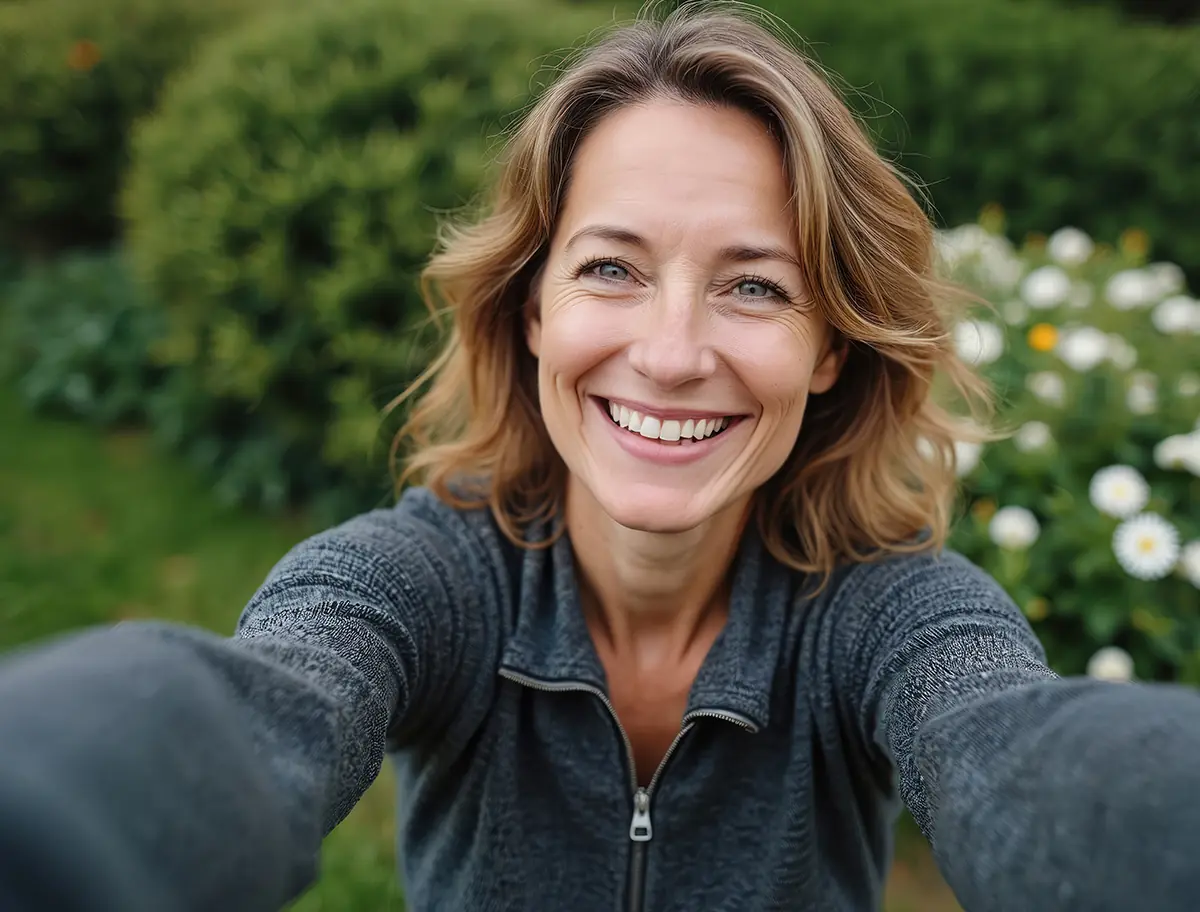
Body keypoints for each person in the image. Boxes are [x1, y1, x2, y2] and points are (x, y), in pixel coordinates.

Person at [2, 3, 1199, 911]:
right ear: (532, 313)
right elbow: (262, 713)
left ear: (829, 349)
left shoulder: (893, 618)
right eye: (612, 268)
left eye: (753, 285)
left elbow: (1008, 750)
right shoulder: (421, 585)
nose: (672, 355)